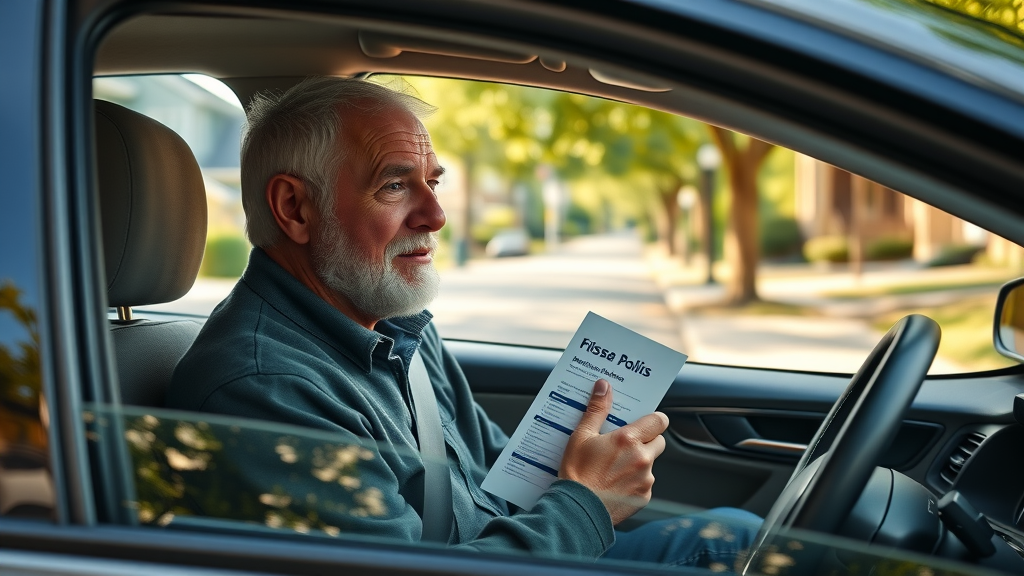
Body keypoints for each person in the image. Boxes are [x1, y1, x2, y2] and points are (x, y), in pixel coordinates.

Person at [167, 76, 760, 570]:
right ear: (295, 208)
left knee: (740, 536)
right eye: (395, 185)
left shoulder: (397, 330)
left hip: (515, 552)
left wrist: (585, 460)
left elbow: (499, 482)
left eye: (434, 182)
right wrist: (587, 504)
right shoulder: (262, 389)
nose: (436, 214)